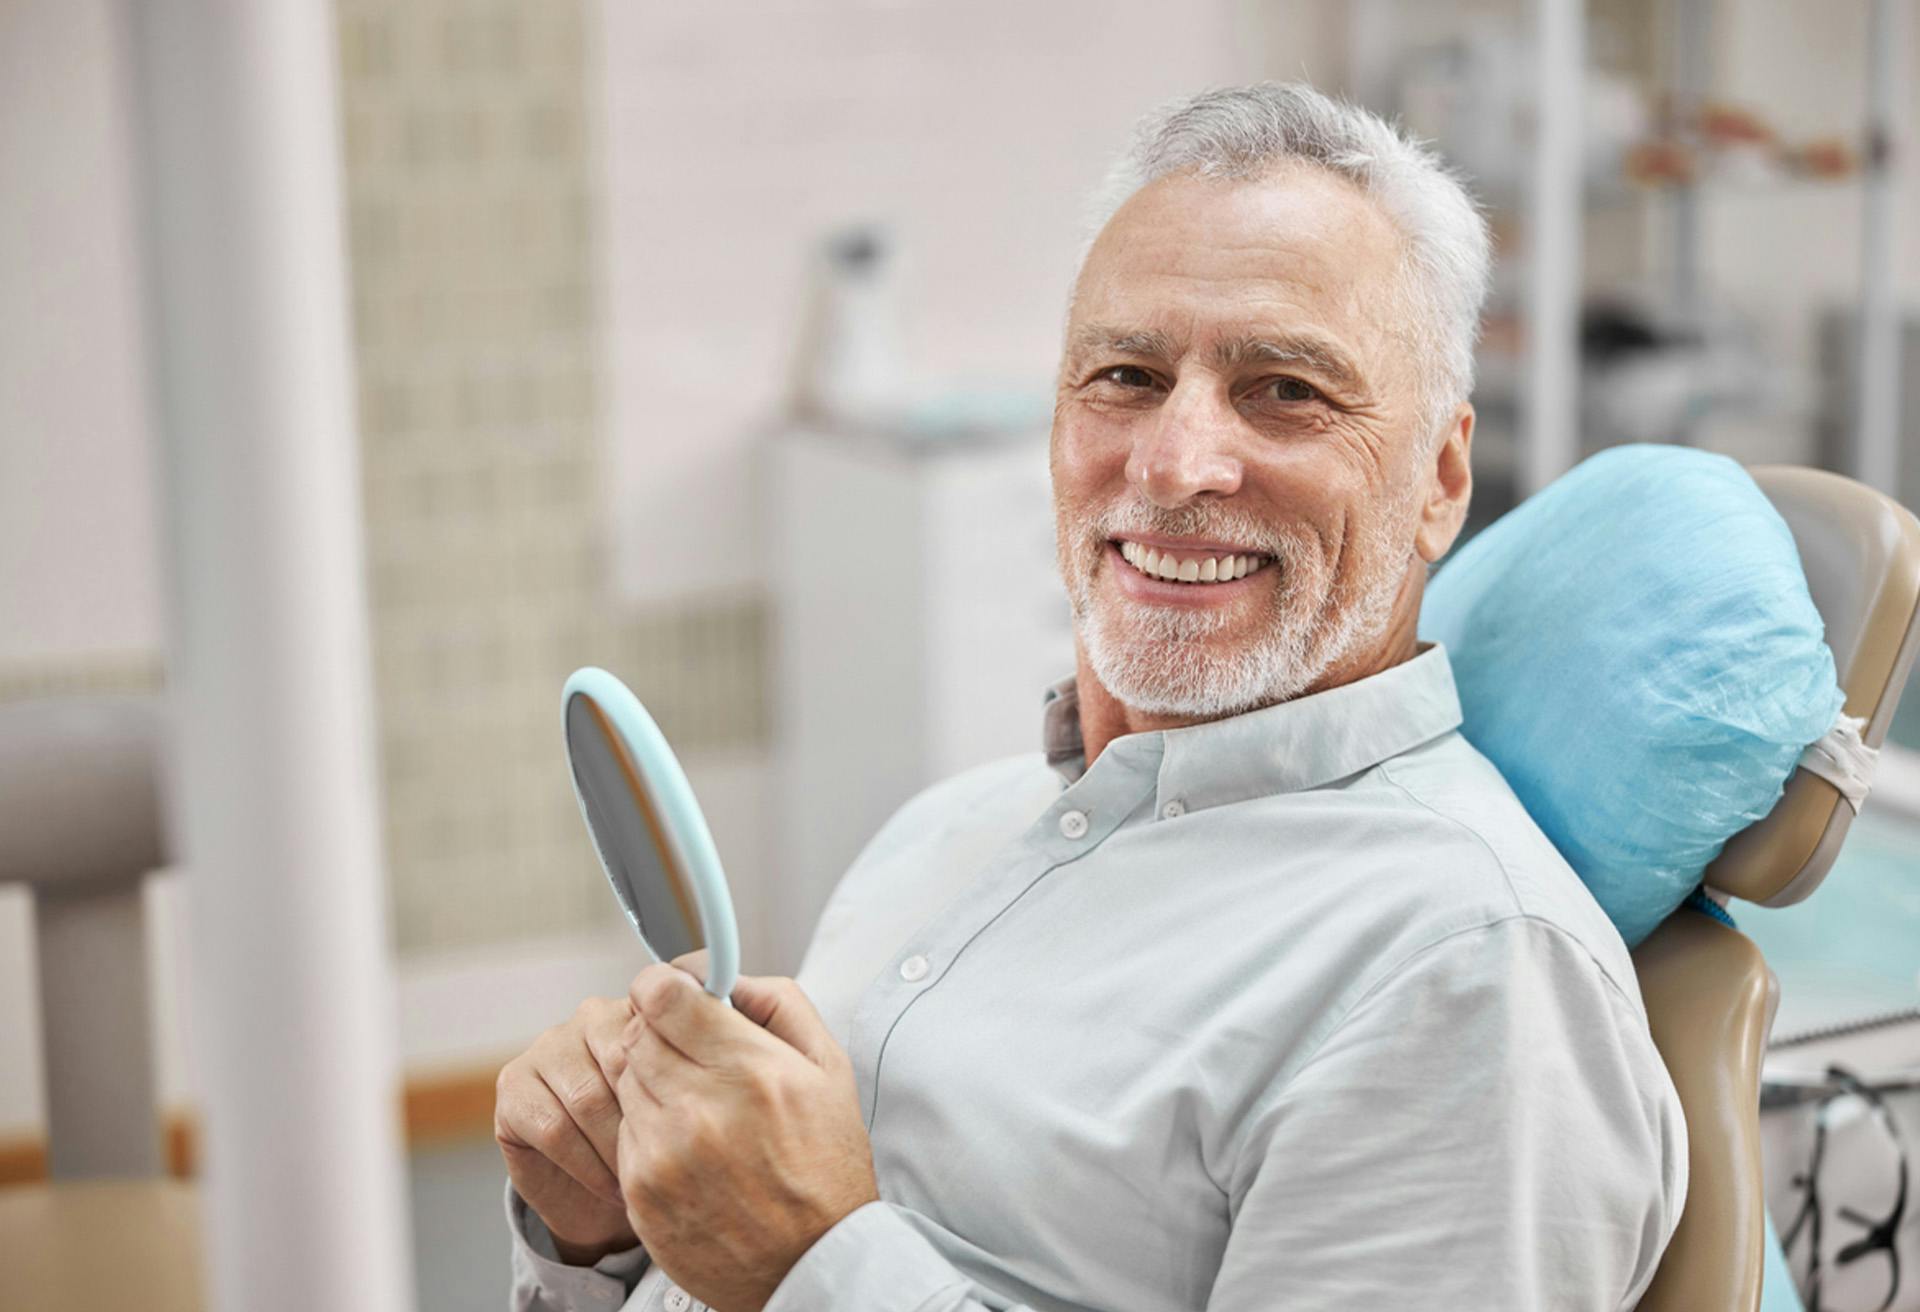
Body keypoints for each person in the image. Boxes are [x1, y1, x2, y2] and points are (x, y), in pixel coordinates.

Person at [494, 82, 1687, 1312]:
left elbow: (797, 1263)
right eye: (1124, 375)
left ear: (1441, 478)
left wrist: (814, 1262)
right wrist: (604, 1243)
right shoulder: (948, 830)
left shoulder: (1465, 978)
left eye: (1286, 389)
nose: (1173, 464)